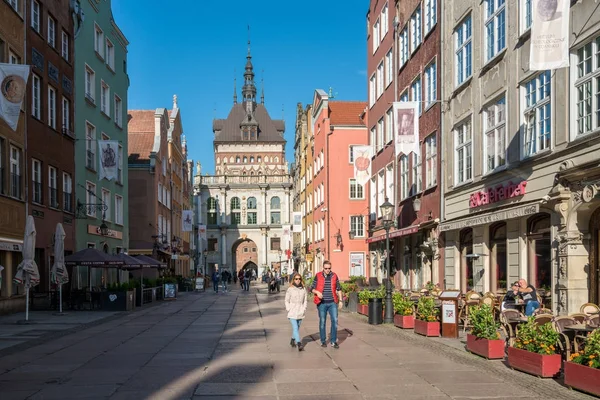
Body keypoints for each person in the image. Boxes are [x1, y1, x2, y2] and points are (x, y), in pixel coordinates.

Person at [310, 260, 343, 348]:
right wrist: (317, 292)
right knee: (322, 321)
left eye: (329, 268)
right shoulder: (318, 275)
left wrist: (340, 301)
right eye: (326, 268)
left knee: (335, 321)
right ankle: (323, 341)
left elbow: (339, 288)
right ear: (323, 268)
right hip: (322, 303)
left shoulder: (334, 276)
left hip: (332, 302)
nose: (328, 270)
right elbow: (311, 288)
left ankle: (333, 341)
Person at [285, 273, 308, 351]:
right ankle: (299, 343)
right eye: (296, 279)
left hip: (300, 311)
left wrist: (304, 308)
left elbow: (305, 300)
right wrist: (288, 308)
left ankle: (292, 340)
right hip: (292, 311)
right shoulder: (290, 289)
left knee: (297, 328)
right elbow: (286, 300)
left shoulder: (303, 289)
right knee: (295, 327)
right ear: (293, 280)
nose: (298, 280)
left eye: (299, 279)